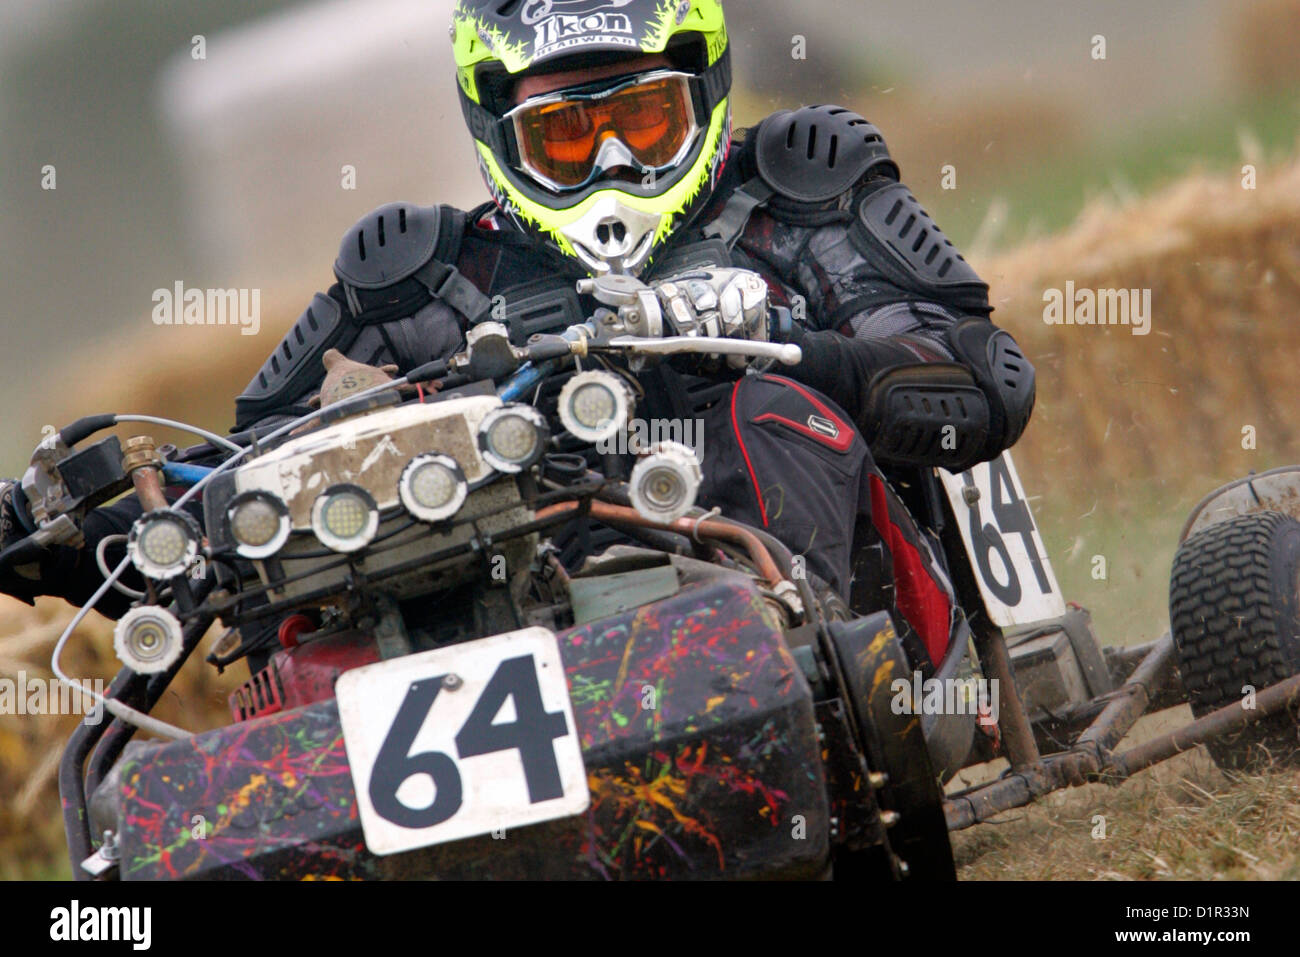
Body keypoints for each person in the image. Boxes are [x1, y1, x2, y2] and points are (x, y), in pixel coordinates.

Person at [0, 0, 1034, 674]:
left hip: (860, 631)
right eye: (570, 134)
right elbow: (256, 494)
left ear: (704, 95)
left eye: (644, 119)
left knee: (767, 409)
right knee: (334, 527)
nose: (616, 163)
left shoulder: (799, 194)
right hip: (522, 646)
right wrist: (90, 529)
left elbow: (981, 383)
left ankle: (784, 668)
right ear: (501, 135)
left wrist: (773, 338)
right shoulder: (416, 280)